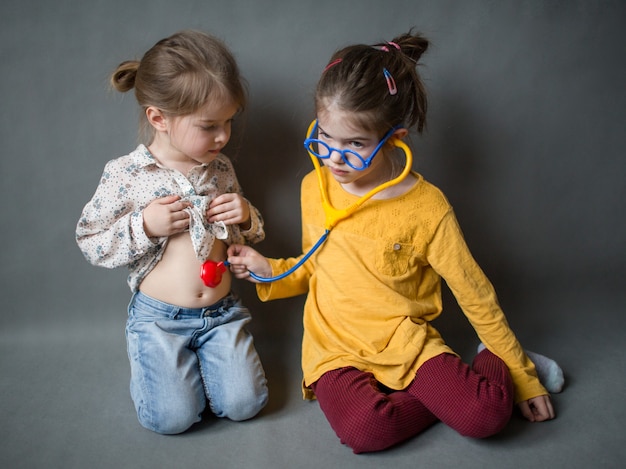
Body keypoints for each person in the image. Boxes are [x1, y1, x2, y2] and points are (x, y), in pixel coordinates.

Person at [226, 31, 563, 453]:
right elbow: (317, 265)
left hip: (405, 341)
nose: (334, 158)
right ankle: (452, 391)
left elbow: (475, 295)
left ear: (395, 138)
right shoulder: (315, 187)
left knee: (487, 415)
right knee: (365, 431)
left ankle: (492, 360)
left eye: (355, 144)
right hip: (335, 345)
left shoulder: (427, 208)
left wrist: (522, 374)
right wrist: (269, 270)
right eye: (326, 137)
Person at [76, 30, 268, 434]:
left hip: (221, 314)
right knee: (173, 419)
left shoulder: (220, 169)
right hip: (159, 320)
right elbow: (90, 241)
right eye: (209, 126)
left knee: (246, 404)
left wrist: (246, 216)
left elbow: (241, 238)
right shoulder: (126, 175)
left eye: (229, 122)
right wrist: (144, 226)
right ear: (159, 118)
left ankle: (205, 365)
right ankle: (161, 366)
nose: (223, 137)